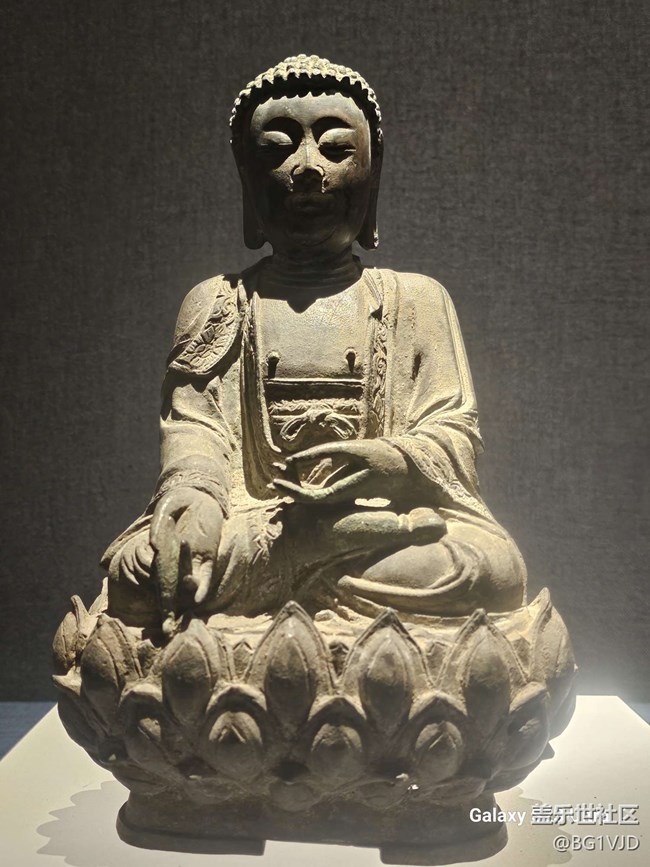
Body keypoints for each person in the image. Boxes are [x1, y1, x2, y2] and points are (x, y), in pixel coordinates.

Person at [103, 55, 526, 628]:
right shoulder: (217, 302)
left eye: (336, 149)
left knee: (492, 572)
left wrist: (387, 461)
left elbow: (454, 435)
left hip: (377, 517)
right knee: (137, 574)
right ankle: (313, 549)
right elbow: (196, 433)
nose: (306, 167)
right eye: (277, 150)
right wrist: (195, 501)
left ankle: (310, 555)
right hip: (258, 520)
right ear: (248, 180)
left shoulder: (418, 300)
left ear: (373, 174)